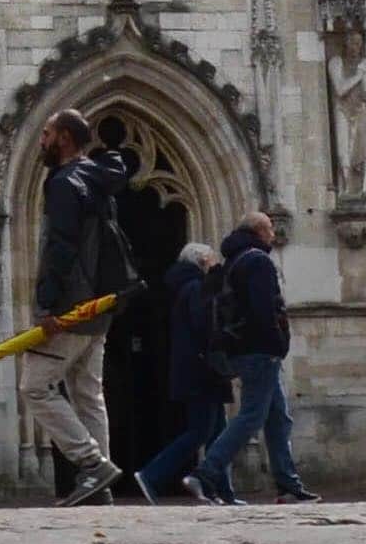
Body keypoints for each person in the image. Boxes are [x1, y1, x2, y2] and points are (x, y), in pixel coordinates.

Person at [25, 109, 133, 503]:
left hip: (73, 304)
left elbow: (61, 246)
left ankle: (92, 465)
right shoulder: (98, 178)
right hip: (100, 303)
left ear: (65, 139)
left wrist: (47, 303)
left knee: (35, 387)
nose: (42, 140)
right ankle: (99, 489)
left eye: (47, 132)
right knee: (88, 393)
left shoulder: (65, 182)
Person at [195, 214, 312, 504]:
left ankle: (288, 484)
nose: (274, 234)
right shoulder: (258, 261)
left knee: (278, 418)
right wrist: (276, 343)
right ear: (260, 231)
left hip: (246, 348)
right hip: (261, 350)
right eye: (270, 229)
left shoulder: (235, 261)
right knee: (251, 416)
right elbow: (264, 309)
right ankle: (205, 473)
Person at [133, 241, 229, 502]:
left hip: (197, 369)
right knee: (200, 431)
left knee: (219, 431)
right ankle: (152, 475)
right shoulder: (196, 287)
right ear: (201, 261)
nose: (215, 262)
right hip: (202, 370)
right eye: (211, 258)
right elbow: (205, 326)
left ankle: (222, 491)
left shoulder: (185, 287)